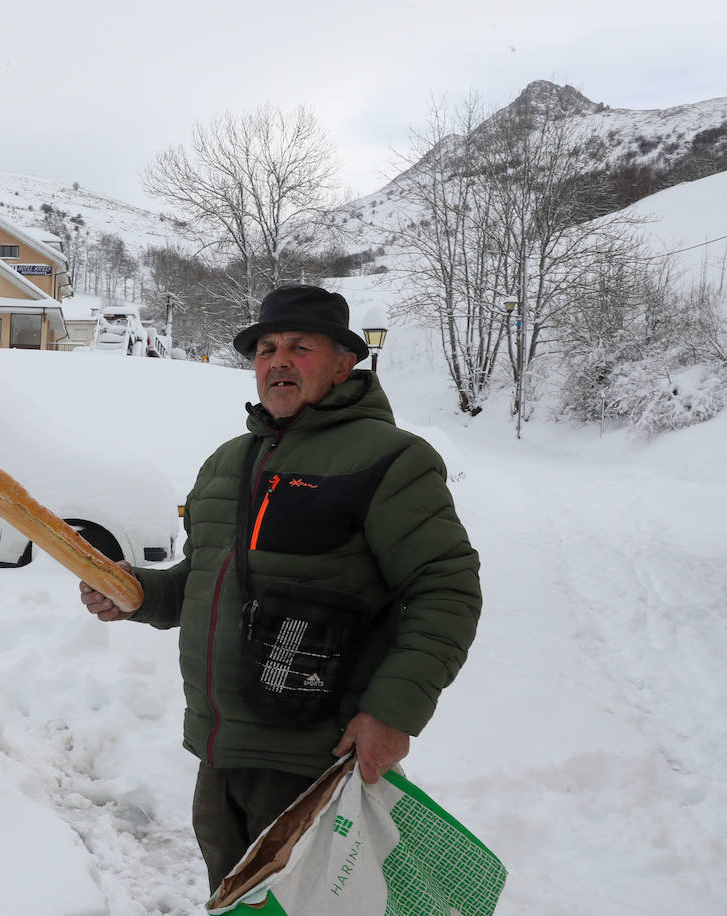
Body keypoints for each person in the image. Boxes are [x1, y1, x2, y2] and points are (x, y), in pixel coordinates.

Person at [79, 284, 482, 891]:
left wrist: (392, 712)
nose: (279, 362)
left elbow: (446, 590)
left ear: (346, 363)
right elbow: (203, 579)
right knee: (233, 896)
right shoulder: (229, 461)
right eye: (266, 349)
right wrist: (135, 594)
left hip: (314, 755)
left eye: (301, 346)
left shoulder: (392, 459)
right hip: (221, 746)